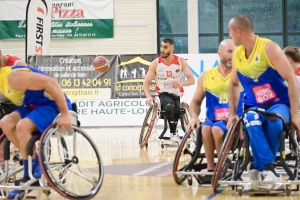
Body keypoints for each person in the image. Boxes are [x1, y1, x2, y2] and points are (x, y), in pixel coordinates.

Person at [227, 15, 300, 188]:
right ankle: (269, 169)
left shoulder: (269, 48)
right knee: (250, 119)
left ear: (238, 31)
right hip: (254, 105)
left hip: (278, 103)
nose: (230, 36)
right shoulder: (237, 54)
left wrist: (295, 114)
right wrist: (231, 114)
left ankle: (258, 167)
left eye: (230, 32)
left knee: (275, 124)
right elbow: (233, 84)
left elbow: (292, 79)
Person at [0, 60, 73, 198]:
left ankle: (28, 176)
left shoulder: (13, 78)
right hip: (33, 106)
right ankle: (35, 162)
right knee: (6, 123)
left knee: (22, 126)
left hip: (53, 105)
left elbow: (51, 82)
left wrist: (65, 114)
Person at [187, 39, 243, 173]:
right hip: (213, 120)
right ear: (219, 53)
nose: (233, 55)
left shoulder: (243, 75)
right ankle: (211, 167)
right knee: (205, 128)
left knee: (216, 129)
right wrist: (194, 117)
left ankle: (222, 165)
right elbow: (195, 102)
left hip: (235, 122)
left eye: (236, 52)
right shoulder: (206, 76)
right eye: (229, 51)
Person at [143, 38, 195, 139]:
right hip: (162, 93)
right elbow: (146, 82)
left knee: (177, 109)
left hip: (176, 93)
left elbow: (192, 80)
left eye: (165, 47)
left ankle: (173, 132)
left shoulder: (180, 61)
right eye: (161, 47)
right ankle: (173, 133)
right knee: (169, 105)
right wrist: (148, 97)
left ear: (172, 49)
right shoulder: (155, 63)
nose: (162, 49)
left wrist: (181, 83)